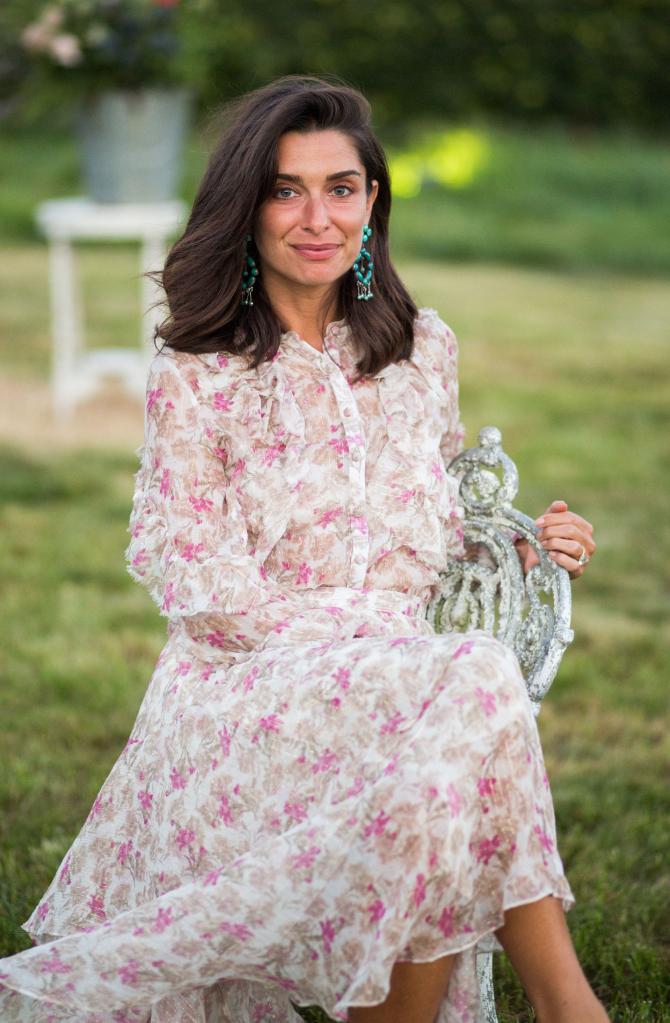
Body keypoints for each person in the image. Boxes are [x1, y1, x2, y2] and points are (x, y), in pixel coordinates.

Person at [0, 75, 603, 1023]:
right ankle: (570, 1006)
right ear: (246, 208)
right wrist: (382, 642)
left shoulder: (423, 348)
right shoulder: (198, 371)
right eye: (287, 190)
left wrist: (525, 549)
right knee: (472, 692)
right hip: (238, 690)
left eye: (342, 187)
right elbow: (206, 592)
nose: (317, 217)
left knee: (453, 709)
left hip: (405, 682)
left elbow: (430, 520)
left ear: (373, 202)